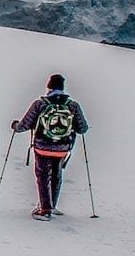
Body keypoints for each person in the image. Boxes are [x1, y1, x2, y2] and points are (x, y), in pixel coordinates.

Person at [11, 73, 90, 220]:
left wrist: (15, 126)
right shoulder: (72, 105)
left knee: (42, 176)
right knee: (56, 174)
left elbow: (24, 125)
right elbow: (83, 128)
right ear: (62, 87)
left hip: (42, 147)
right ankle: (52, 205)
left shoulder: (40, 104)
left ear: (49, 87)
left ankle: (44, 210)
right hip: (62, 149)